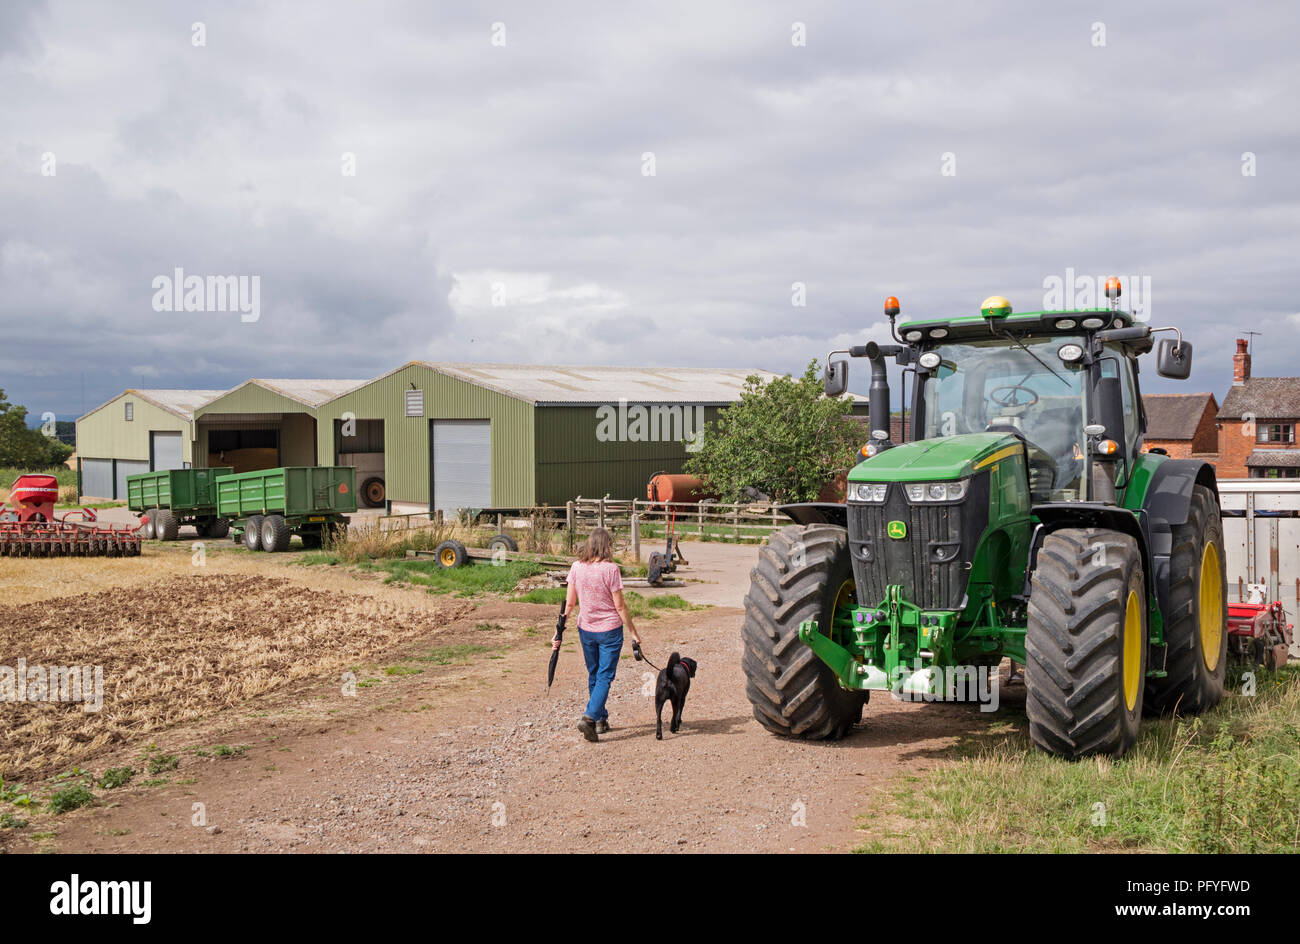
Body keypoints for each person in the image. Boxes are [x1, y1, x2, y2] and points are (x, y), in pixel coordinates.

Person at [553, 527, 641, 742]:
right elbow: (620, 606)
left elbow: (570, 603)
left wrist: (558, 632)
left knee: (594, 674)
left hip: (586, 629)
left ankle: (600, 721)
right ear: (607, 545)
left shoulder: (576, 567)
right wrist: (633, 633)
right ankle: (590, 716)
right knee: (604, 676)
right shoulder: (611, 569)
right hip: (610, 630)